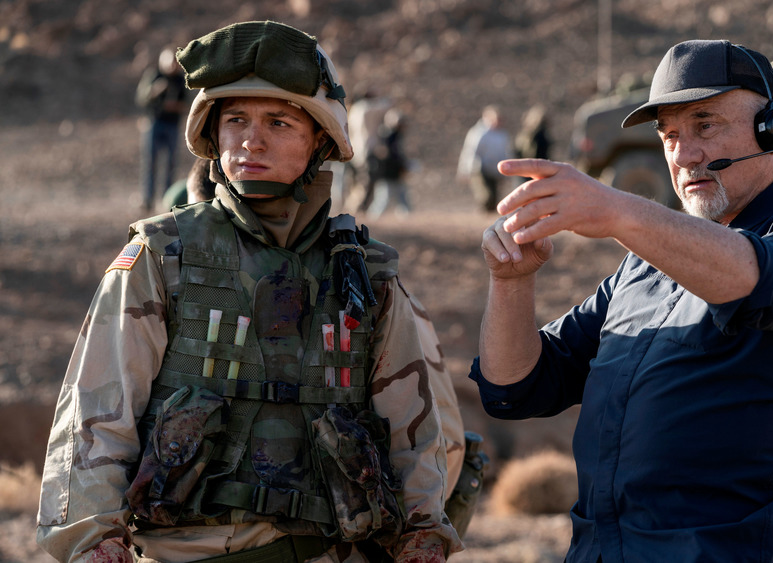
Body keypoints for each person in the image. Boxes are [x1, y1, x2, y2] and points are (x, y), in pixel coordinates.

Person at [36, 21, 463, 562]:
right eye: (235, 119)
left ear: (320, 141)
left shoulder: (366, 274)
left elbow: (416, 429)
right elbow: (96, 411)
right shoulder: (162, 255)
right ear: (213, 134)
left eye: (278, 122)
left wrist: (424, 530)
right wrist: (93, 538)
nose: (250, 140)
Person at [470, 39, 773, 562]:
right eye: (670, 136)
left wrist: (616, 211)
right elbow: (515, 387)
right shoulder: (644, 262)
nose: (684, 155)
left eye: (705, 126)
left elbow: (761, 280)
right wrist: (510, 283)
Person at [136, 48, 188, 211]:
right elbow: (141, 98)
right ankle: (147, 199)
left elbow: (187, 104)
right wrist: (155, 91)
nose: (172, 65)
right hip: (154, 123)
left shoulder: (180, 80)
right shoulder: (154, 75)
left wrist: (174, 107)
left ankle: (167, 199)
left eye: (174, 62)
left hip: (172, 125)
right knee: (150, 162)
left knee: (170, 163)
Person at [457, 105, 512, 213]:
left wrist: (507, 169)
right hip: (480, 168)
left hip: (495, 169)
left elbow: (505, 153)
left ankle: (489, 216)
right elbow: (471, 151)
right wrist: (465, 169)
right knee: (486, 194)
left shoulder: (502, 134)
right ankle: (483, 213)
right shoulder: (480, 133)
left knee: (495, 194)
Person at [367, 109, 413, 219]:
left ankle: (406, 216)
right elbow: (387, 155)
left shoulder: (395, 136)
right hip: (386, 172)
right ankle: (373, 217)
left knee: (401, 194)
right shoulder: (386, 136)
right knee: (383, 196)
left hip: (394, 171)